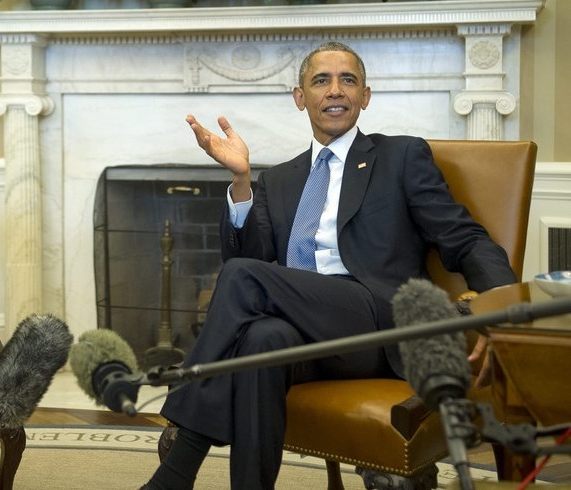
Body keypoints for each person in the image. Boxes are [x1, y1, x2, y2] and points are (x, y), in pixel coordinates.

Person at [143, 41, 516, 489]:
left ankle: (178, 464)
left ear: (365, 96)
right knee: (263, 337)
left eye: (348, 80)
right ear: (300, 97)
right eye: (321, 80)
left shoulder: (401, 157)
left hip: (379, 324)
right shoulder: (277, 179)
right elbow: (250, 265)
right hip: (305, 332)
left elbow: (466, 238)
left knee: (242, 278)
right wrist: (241, 181)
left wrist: (503, 310)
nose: (335, 90)